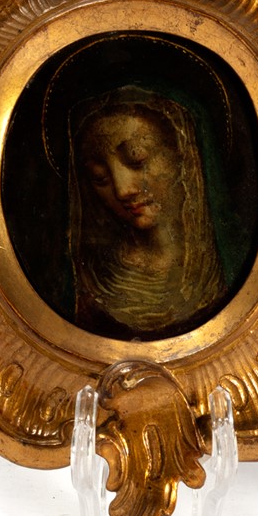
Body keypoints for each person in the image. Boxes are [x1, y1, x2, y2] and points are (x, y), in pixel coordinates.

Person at [67, 88, 227, 340]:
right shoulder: (94, 279)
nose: (122, 190)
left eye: (136, 159)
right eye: (100, 177)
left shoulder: (224, 263)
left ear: (183, 155)